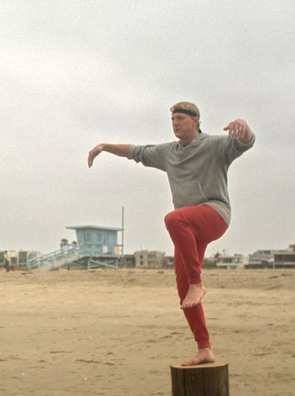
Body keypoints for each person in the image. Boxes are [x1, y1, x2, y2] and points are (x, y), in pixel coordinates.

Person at [87, 102, 255, 366]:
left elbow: (244, 143)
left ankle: (198, 283)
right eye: (172, 119)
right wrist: (104, 147)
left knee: (173, 219)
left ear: (195, 121)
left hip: (215, 214)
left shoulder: (213, 146)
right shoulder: (169, 152)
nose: (175, 123)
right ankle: (204, 348)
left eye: (180, 118)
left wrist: (243, 127)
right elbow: (136, 151)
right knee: (182, 287)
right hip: (187, 228)